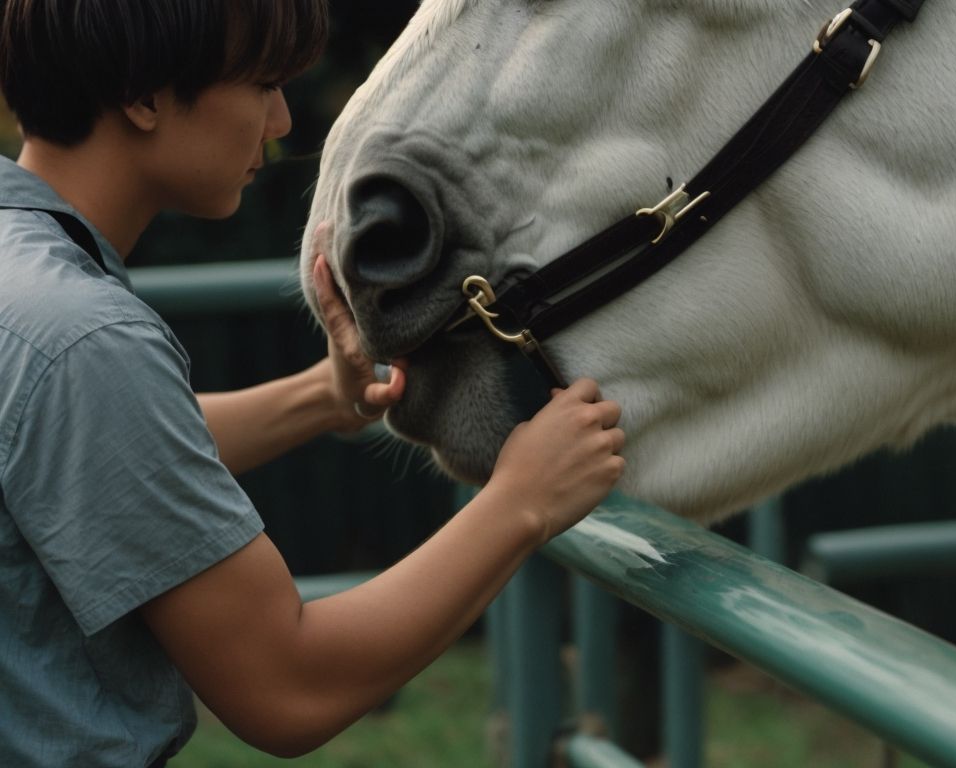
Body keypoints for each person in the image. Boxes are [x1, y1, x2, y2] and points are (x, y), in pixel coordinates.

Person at [0, 1, 627, 766]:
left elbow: (97, 452)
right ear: (145, 97)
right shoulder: (88, 339)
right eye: (263, 83)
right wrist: (522, 501)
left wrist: (323, 397)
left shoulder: (23, 280)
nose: (282, 121)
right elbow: (285, 684)